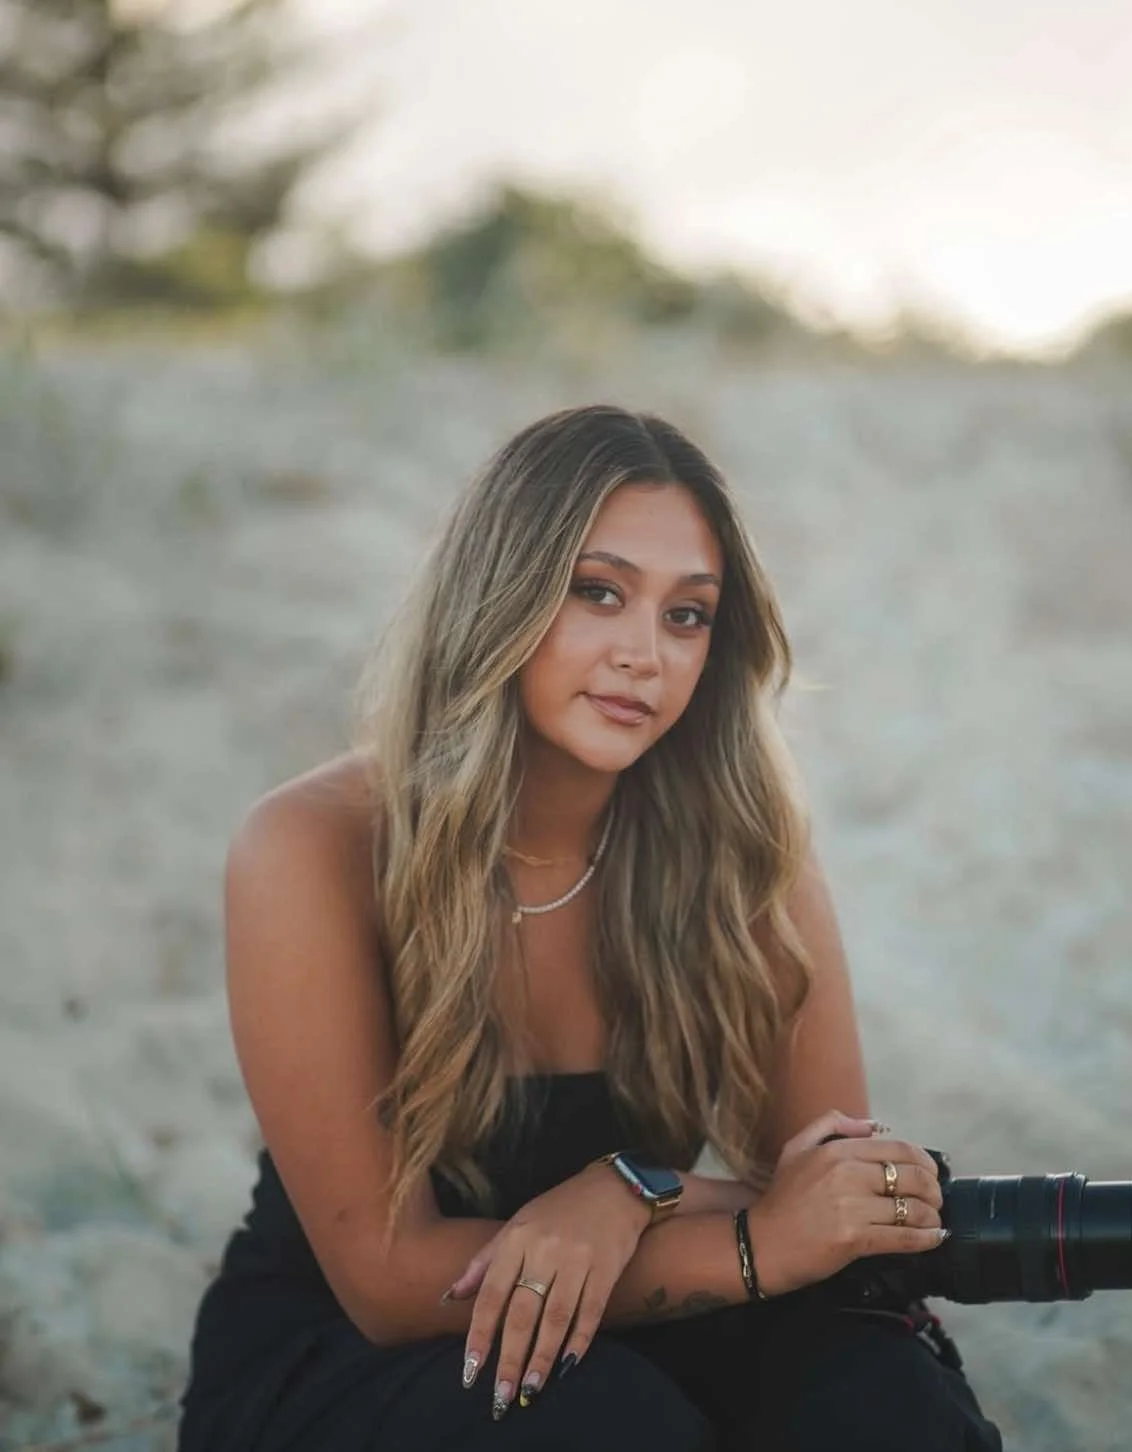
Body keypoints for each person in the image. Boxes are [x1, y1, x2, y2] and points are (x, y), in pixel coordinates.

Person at [176, 404, 1003, 1451]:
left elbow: (821, 1194)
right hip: (357, 1352)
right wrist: (735, 1236)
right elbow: (387, 1279)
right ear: (500, 596)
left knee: (884, 1405)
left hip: (642, 1309)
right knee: (611, 1427)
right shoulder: (315, 846)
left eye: (686, 615)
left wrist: (629, 1197)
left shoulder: (745, 852)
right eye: (597, 593)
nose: (643, 655)